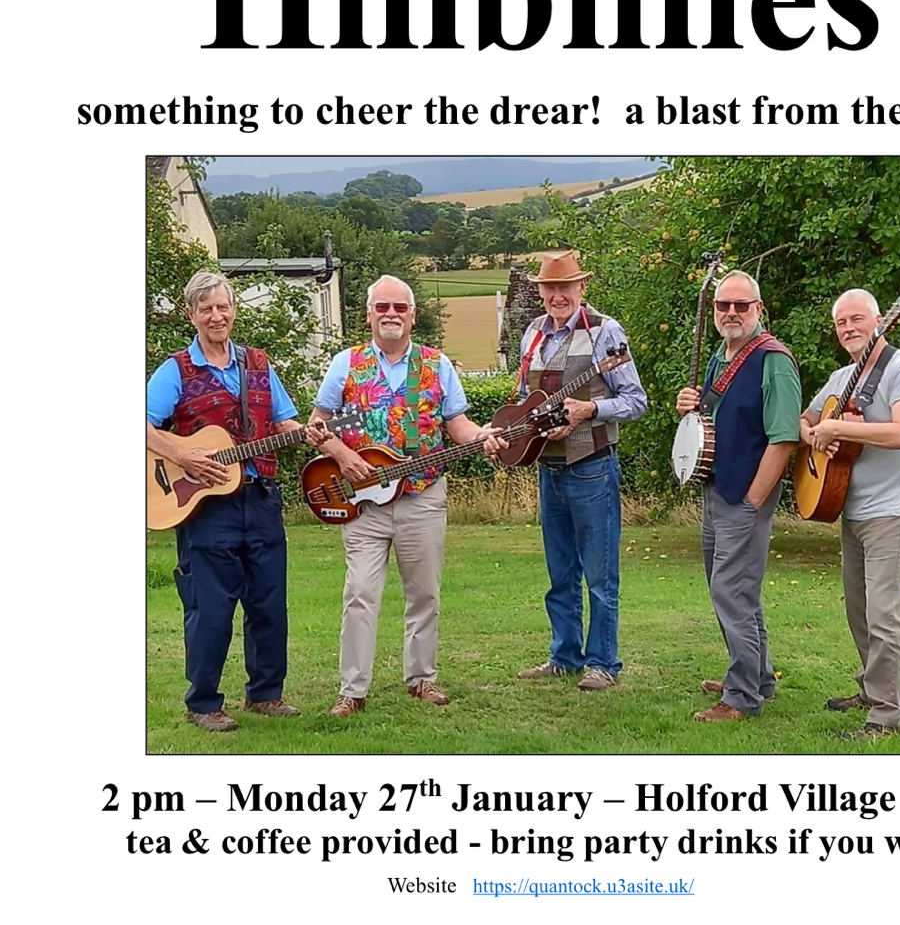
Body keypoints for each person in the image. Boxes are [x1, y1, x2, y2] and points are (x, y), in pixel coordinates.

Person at [309, 276, 505, 714]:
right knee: (359, 591)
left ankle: (422, 679)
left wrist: (482, 435)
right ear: (368, 314)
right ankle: (352, 690)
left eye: (400, 307)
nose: (391, 314)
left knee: (424, 594)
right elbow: (316, 425)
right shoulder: (346, 363)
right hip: (361, 503)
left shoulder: (438, 365)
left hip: (422, 496)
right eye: (382, 307)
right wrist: (341, 454)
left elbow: (458, 425)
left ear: (414, 315)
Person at [146, 269, 310, 732]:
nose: (216, 316)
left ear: (233, 310)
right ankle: (203, 703)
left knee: (269, 603)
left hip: (260, 499)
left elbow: (283, 423)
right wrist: (184, 456)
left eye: (222, 306)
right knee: (210, 607)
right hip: (205, 509)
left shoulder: (258, 364)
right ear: (191, 315)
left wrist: (315, 435)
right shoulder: (175, 369)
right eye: (206, 309)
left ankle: (266, 694)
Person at [803, 288, 900, 741]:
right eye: (841, 323)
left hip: (892, 512)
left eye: (856, 318)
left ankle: (887, 715)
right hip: (849, 508)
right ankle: (872, 687)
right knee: (860, 612)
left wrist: (837, 427)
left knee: (885, 617)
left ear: (879, 320)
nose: (849, 328)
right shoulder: (842, 377)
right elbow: (805, 420)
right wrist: (818, 433)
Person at [516, 251, 647, 691]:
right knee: (559, 573)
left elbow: (636, 400)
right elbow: (521, 399)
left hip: (592, 467)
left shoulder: (607, 332)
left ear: (581, 289)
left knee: (600, 574)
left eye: (565, 287)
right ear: (540, 292)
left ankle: (604, 663)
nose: (557, 296)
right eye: (549, 288)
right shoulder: (532, 334)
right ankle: (564, 656)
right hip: (546, 468)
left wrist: (591, 408)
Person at [675, 271, 801, 723]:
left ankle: (741, 696)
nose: (731, 312)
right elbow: (713, 421)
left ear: (759, 309)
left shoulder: (775, 361)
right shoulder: (721, 356)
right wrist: (689, 405)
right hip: (717, 489)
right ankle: (758, 678)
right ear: (714, 312)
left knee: (731, 592)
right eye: (723, 305)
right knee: (735, 591)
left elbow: (784, 438)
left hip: (744, 497)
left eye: (741, 306)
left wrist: (752, 502)